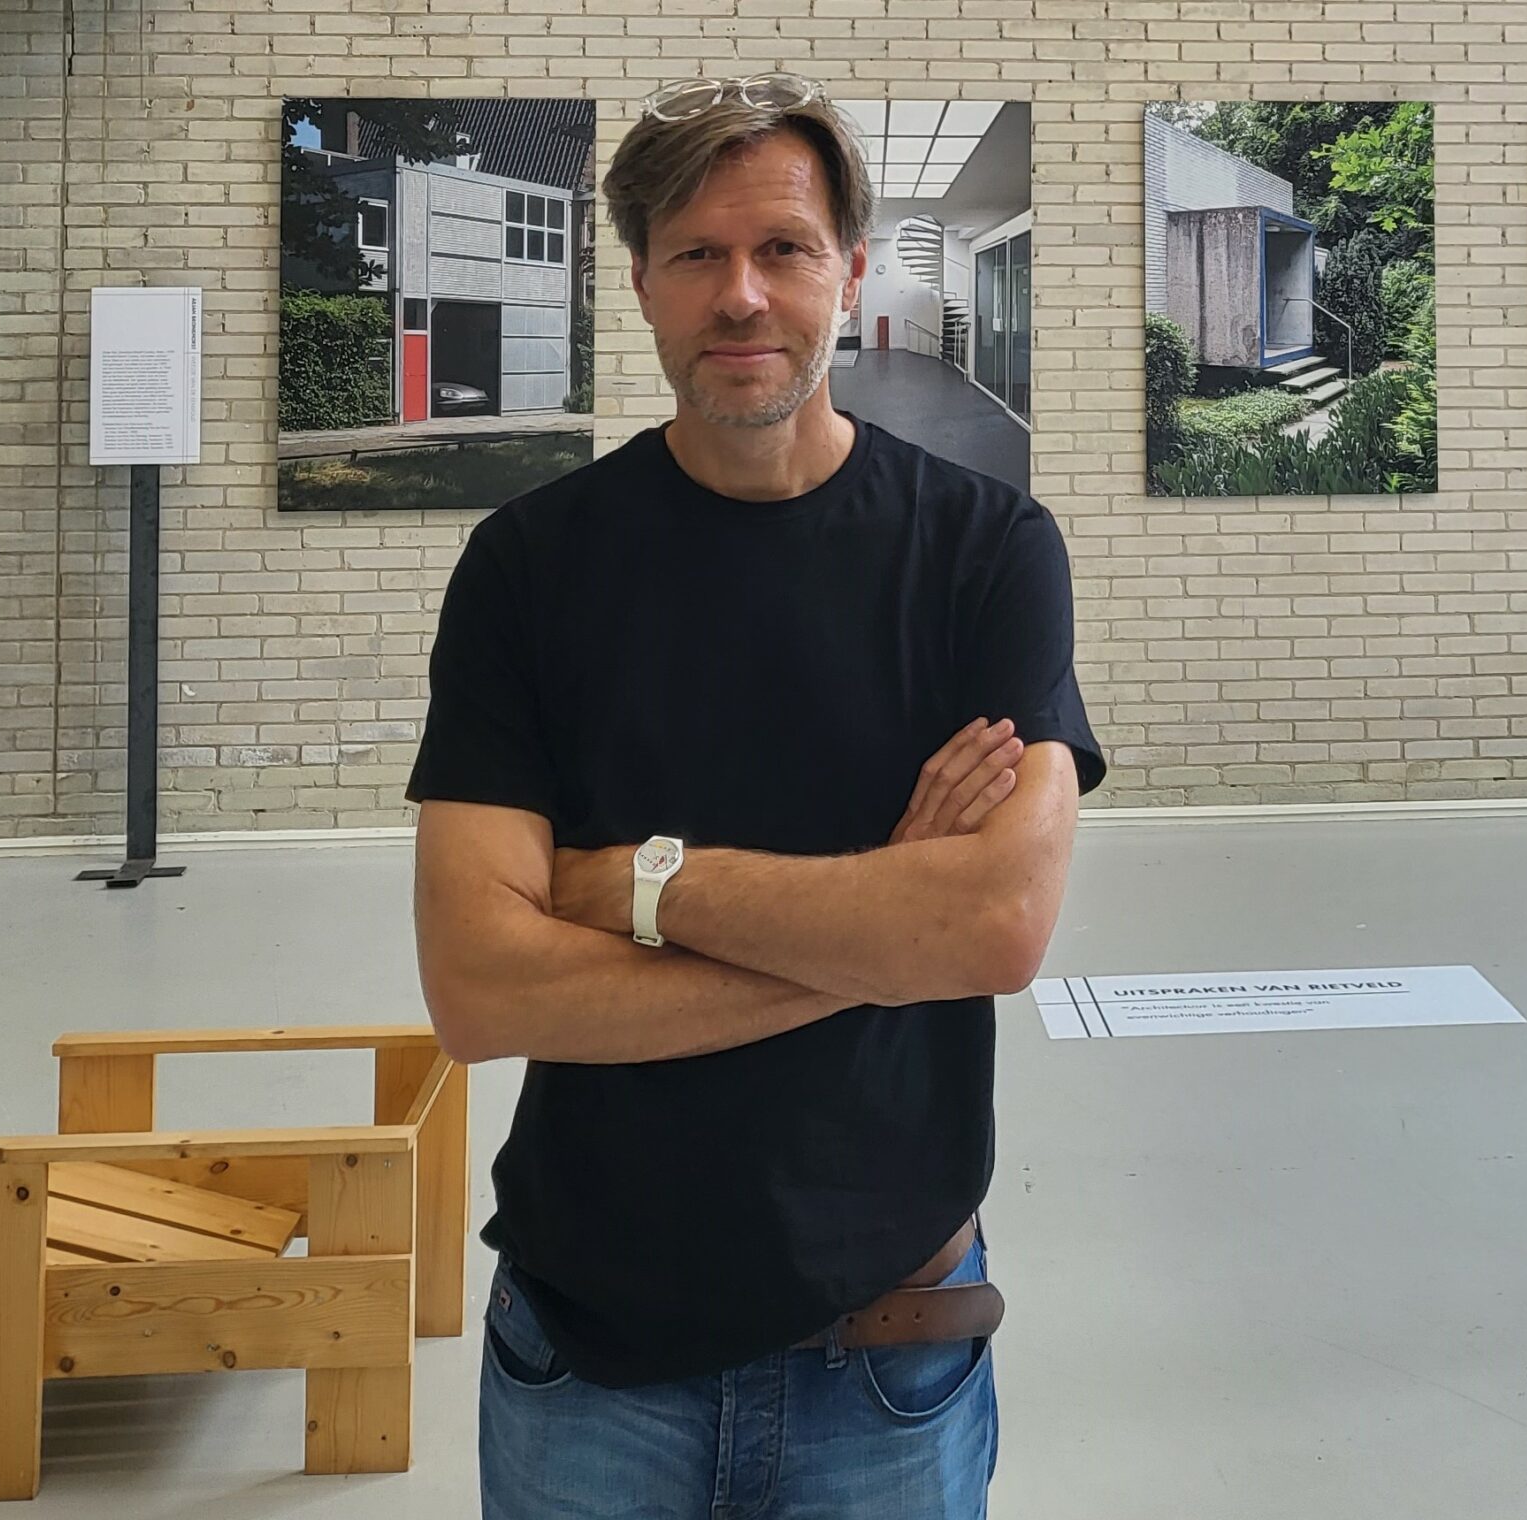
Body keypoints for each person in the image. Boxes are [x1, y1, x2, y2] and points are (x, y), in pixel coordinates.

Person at [405, 72, 1107, 1520]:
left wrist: (637, 886)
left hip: (889, 1351)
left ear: (848, 269)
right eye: (695, 254)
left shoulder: (987, 551)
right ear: (642, 285)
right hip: (589, 1353)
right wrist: (880, 930)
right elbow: (480, 990)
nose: (740, 295)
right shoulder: (530, 567)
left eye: (783, 247)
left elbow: (993, 929)